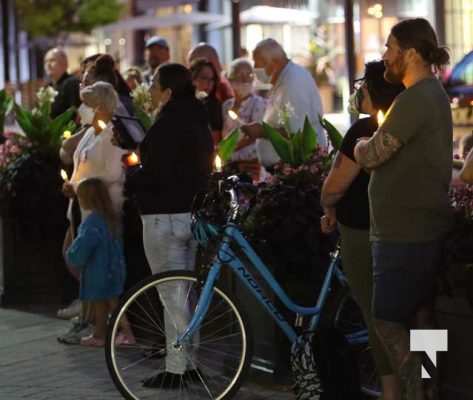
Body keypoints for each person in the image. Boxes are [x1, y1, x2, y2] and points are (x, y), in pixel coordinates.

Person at [354, 18, 452, 400]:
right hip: (422, 225)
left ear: (410, 53)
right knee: (424, 317)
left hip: (403, 231)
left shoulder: (415, 98)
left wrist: (363, 144)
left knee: (387, 319)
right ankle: (431, 386)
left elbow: (375, 153)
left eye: (390, 48)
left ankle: (418, 388)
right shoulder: (432, 93)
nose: (385, 57)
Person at [321, 60, 404, 400]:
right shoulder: (414, 124)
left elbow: (334, 187)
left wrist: (327, 206)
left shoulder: (364, 131)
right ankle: (427, 384)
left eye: (362, 88)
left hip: (364, 232)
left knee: (377, 316)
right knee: (422, 316)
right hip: (418, 231)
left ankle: (392, 391)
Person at [127, 63, 213, 388]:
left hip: (163, 217)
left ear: (168, 91)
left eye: (153, 83)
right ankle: (190, 361)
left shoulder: (166, 125)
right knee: (186, 292)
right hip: (190, 217)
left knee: (170, 293)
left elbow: (156, 173)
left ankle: (176, 367)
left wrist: (133, 174)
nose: (149, 88)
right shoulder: (198, 119)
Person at [66, 177, 133, 347]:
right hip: (114, 269)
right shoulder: (111, 218)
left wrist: (72, 254)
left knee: (110, 305)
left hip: (99, 271)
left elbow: (84, 245)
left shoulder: (92, 222)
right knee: (105, 303)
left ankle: (127, 334)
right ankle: (100, 334)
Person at [241, 38, 326, 168]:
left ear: (274, 62)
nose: (254, 69)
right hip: (284, 168)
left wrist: (261, 131)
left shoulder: (293, 82)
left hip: (298, 170)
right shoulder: (283, 80)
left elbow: (297, 133)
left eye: (257, 63)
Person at [222, 57, 266, 180]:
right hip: (228, 161)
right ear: (230, 78)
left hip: (249, 161)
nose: (245, 79)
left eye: (249, 74)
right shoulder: (226, 105)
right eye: (240, 75)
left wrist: (229, 149)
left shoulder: (260, 104)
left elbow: (253, 136)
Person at [190, 58, 224, 145]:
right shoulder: (182, 103)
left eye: (212, 79)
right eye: (204, 78)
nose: (209, 83)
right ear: (193, 78)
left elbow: (215, 138)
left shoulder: (214, 105)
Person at [44, 48, 81, 118]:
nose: (48, 64)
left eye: (52, 60)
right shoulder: (47, 87)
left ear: (65, 63)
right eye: (45, 61)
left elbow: (76, 113)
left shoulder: (72, 83)